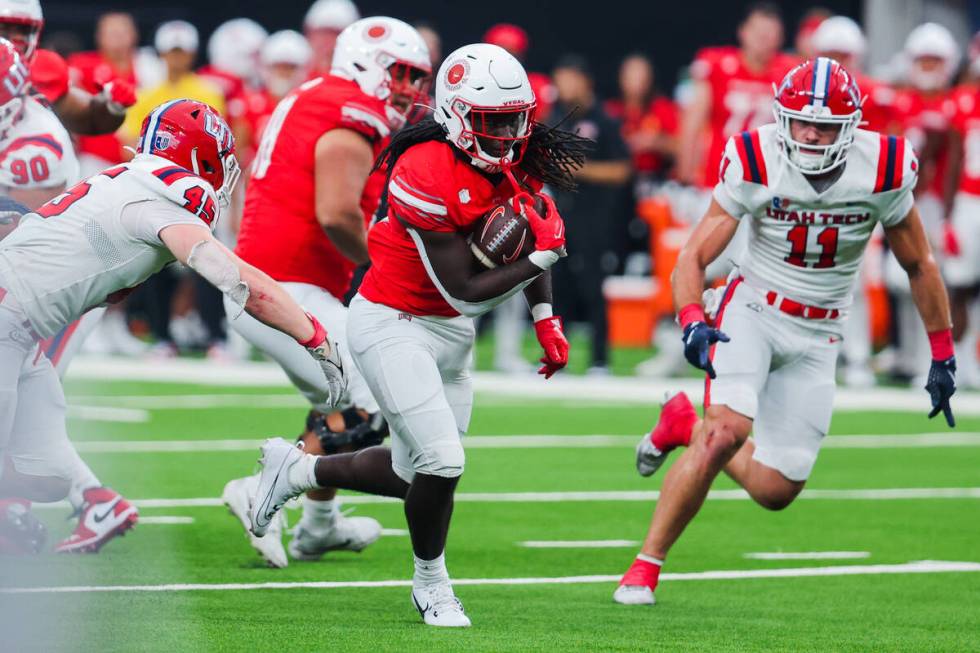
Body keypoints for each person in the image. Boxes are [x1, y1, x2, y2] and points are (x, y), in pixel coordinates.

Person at [247, 43, 588, 627]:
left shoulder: (517, 152)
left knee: (415, 473)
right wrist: (541, 256)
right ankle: (431, 584)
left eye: (516, 118)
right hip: (394, 321)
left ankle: (296, 470)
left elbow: (530, 227)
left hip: (451, 332)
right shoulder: (423, 168)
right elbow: (463, 288)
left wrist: (544, 317)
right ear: (456, 116)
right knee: (444, 461)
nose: (509, 134)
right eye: (494, 121)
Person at [614, 58, 957, 606]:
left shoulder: (884, 167)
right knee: (724, 431)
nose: (812, 134)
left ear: (852, 127)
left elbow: (920, 264)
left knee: (777, 490)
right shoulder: (756, 156)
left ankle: (681, 425)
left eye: (824, 125)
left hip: (821, 331)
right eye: (801, 122)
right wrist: (690, 319)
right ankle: (644, 567)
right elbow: (695, 254)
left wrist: (942, 354)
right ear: (783, 118)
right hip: (752, 306)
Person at [0, 98, 346, 538]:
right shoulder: (161, 199)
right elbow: (237, 280)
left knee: (46, 476)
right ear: (199, 156)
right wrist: (313, 334)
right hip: (6, 321)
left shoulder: (130, 181)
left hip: (25, 338)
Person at [221, 17, 431, 569]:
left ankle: (317, 527)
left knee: (338, 408)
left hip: (277, 283)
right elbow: (337, 214)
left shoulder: (320, 95)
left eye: (416, 77)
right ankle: (261, 484)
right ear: (365, 63)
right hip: (284, 289)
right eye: (401, 74)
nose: (410, 89)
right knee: (367, 405)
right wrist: (389, 265)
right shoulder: (347, 108)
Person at [886, 23, 960, 385]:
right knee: (902, 282)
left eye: (936, 61)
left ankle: (946, 357)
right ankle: (910, 355)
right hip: (906, 202)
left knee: (945, 282)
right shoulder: (900, 102)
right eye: (924, 61)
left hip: (946, 205)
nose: (929, 68)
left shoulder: (957, 102)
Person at [550, 54, 631, 374]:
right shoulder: (558, 115)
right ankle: (556, 356)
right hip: (560, 214)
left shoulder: (605, 120)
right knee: (559, 287)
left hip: (595, 217)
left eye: (569, 79)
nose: (563, 86)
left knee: (593, 287)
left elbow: (622, 170)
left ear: (585, 81)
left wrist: (580, 170)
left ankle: (599, 360)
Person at [676, 3, 798, 189]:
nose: (762, 38)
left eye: (769, 33)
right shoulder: (717, 64)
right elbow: (693, 120)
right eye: (758, 31)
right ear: (743, 32)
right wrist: (685, 172)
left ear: (780, 38)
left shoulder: (790, 72)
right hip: (719, 175)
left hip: (768, 180)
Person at [0, 0, 135, 137]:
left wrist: (110, 106)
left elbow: (89, 118)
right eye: (3, 29)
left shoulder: (43, 67)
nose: (14, 37)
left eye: (22, 29)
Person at [942, 35, 980, 390]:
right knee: (960, 284)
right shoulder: (964, 99)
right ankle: (959, 362)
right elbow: (952, 159)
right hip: (970, 202)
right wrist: (948, 214)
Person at [605, 53, 678, 183]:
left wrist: (656, 142)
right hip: (618, 182)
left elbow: (681, 147)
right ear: (621, 78)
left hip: (656, 180)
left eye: (642, 76)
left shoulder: (662, 108)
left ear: (650, 79)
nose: (637, 81)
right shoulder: (610, 111)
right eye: (632, 75)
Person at [304, 0, 359, 78]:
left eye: (335, 33)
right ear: (308, 35)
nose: (327, 41)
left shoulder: (361, 81)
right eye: (322, 33)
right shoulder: (296, 75)